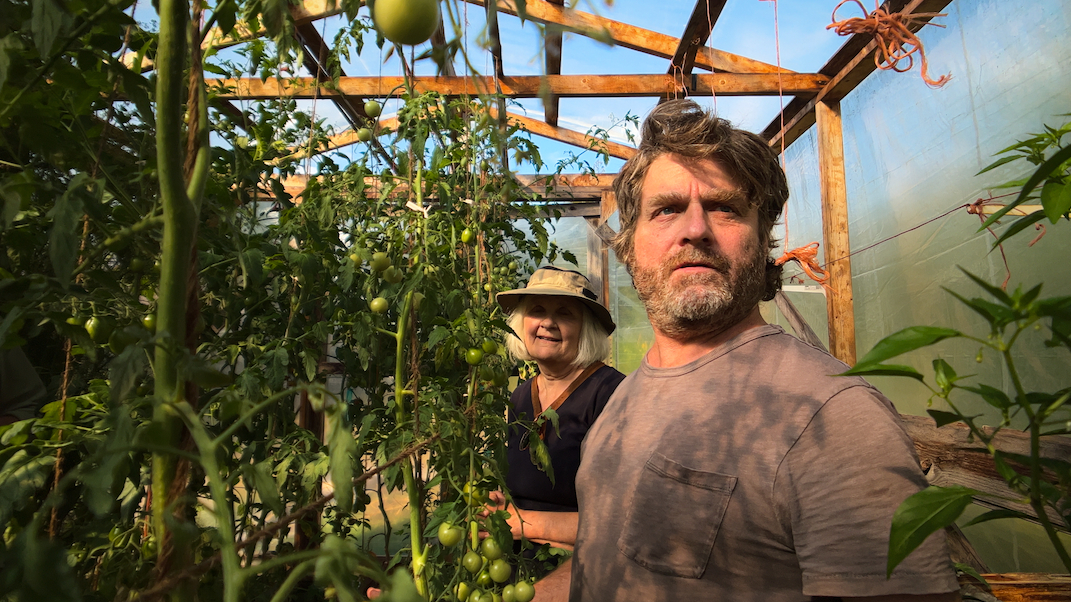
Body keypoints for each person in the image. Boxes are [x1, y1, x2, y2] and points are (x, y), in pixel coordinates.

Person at [568, 100, 961, 602]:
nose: (695, 229)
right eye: (666, 209)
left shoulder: (831, 417)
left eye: (725, 208)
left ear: (761, 238)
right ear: (628, 244)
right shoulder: (627, 395)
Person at [491, 266, 625, 600]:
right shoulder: (521, 396)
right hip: (515, 567)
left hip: (580, 574)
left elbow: (620, 522)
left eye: (564, 313)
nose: (547, 322)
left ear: (585, 329)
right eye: (537, 310)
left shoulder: (611, 394)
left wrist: (521, 522)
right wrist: (502, 504)